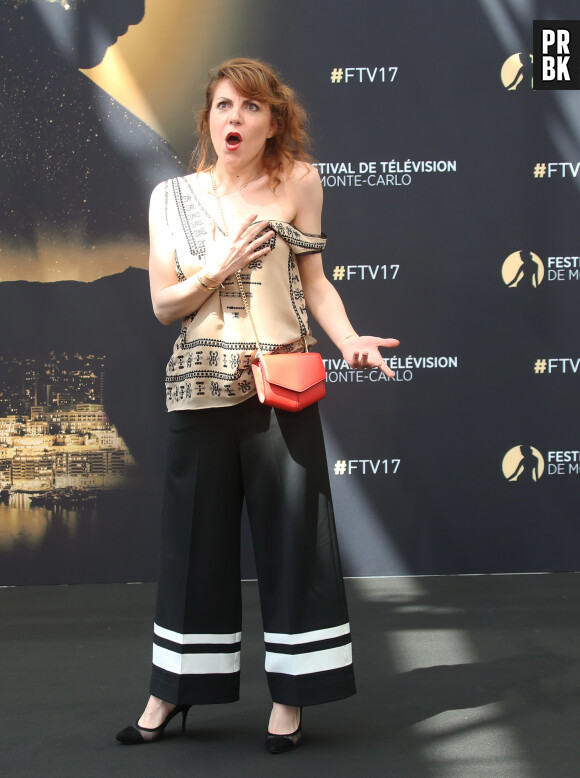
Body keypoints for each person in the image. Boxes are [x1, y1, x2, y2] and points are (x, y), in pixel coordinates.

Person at [116, 57, 399, 754]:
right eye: (220, 106)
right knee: (192, 547)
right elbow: (162, 305)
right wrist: (217, 267)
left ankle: (293, 697)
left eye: (247, 107)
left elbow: (317, 283)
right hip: (198, 389)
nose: (232, 119)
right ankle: (172, 689)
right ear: (207, 119)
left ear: (273, 121)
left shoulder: (300, 182)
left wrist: (349, 338)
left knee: (295, 544)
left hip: (282, 383)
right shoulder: (171, 198)